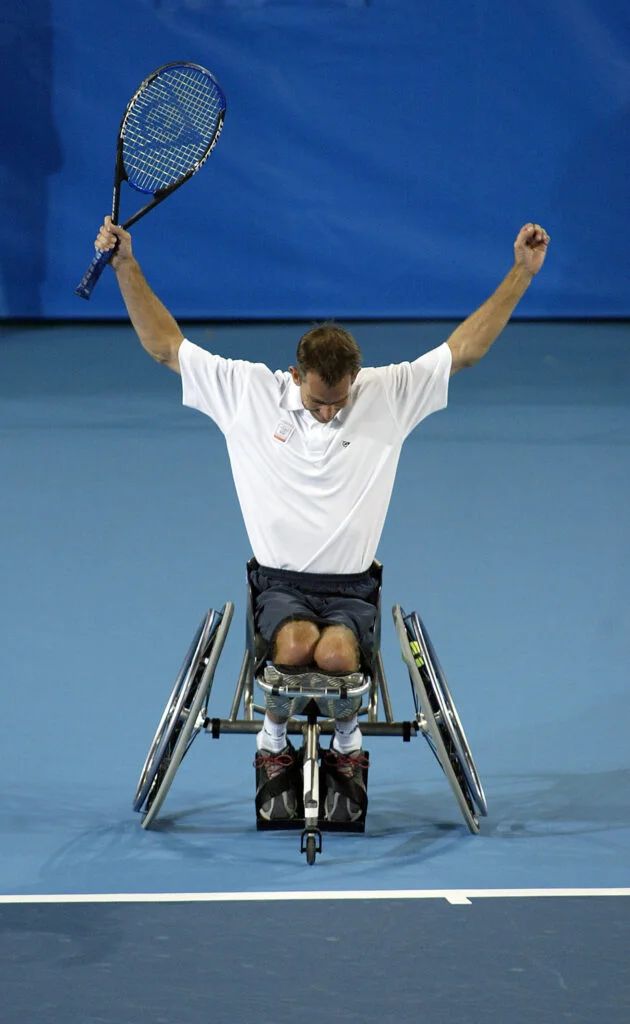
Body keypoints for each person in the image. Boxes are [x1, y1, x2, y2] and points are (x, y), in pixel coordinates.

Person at [94, 216, 550, 824]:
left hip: (351, 590)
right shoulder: (248, 393)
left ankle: (347, 748)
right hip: (278, 586)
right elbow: (164, 345)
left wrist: (520, 272)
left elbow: (464, 349)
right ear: (295, 376)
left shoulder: (388, 394)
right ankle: (273, 743)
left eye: (339, 400)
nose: (331, 412)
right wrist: (125, 265)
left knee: (335, 657)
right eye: (317, 401)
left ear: (355, 379)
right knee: (295, 644)